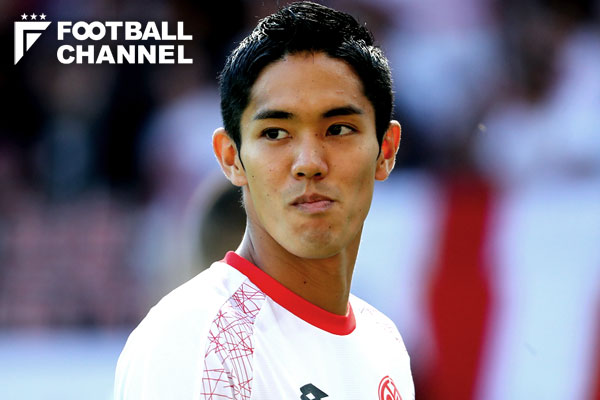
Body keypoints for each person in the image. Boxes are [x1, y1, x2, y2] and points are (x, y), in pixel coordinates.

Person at [114, 2, 414, 399]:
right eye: (275, 133)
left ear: (386, 150)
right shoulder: (194, 340)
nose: (309, 163)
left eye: (339, 128)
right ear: (230, 158)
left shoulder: (383, 343)